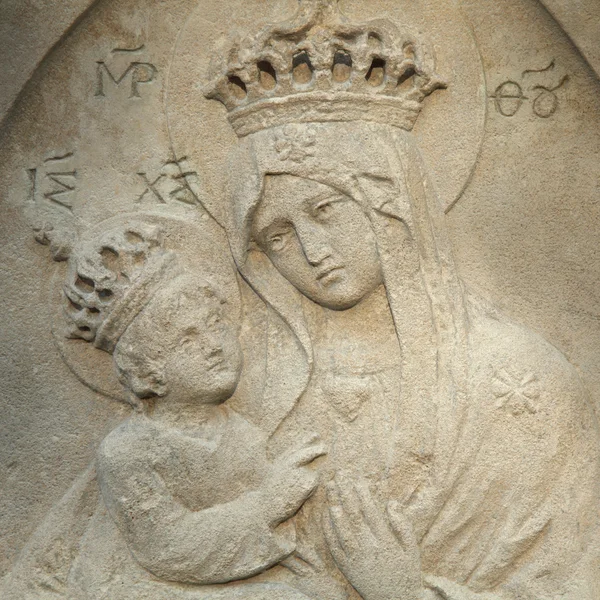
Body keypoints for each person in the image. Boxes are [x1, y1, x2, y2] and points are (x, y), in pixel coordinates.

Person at [5, 213, 323, 600]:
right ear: (146, 374)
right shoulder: (129, 452)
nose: (213, 345)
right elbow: (171, 550)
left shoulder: (243, 433)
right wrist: (269, 504)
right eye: (188, 341)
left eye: (215, 324)